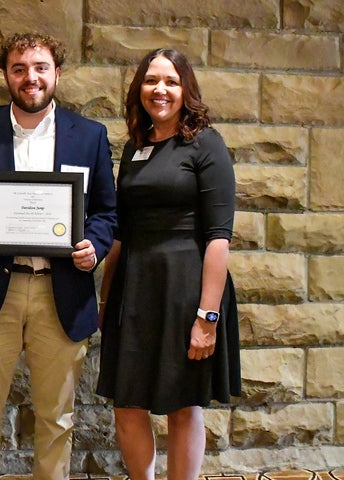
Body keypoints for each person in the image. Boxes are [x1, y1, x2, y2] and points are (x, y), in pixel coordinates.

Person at [0, 33, 117, 480]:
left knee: (57, 419)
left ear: (57, 73)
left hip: (61, 293)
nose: (30, 77)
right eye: (19, 68)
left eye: (40, 67)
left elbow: (105, 211)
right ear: (6, 75)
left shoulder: (90, 136)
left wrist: (94, 246)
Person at [96, 48, 240, 480]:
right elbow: (120, 232)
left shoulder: (206, 144)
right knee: (127, 403)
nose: (160, 90)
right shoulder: (134, 148)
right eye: (151, 80)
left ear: (186, 90)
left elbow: (219, 237)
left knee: (182, 405)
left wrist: (207, 317)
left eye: (171, 82)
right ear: (139, 89)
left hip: (185, 291)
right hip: (134, 288)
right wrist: (106, 300)